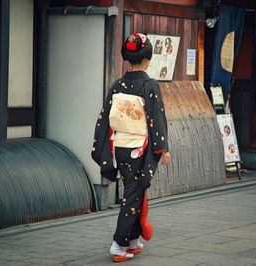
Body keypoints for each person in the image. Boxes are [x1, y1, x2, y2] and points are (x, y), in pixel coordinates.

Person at [91, 33, 171, 263]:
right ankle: (118, 244)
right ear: (147, 59)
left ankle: (133, 240)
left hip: (121, 147)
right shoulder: (150, 85)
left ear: (127, 58)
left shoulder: (118, 85)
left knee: (135, 191)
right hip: (140, 148)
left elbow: (105, 118)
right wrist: (163, 148)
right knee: (132, 195)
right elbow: (157, 118)